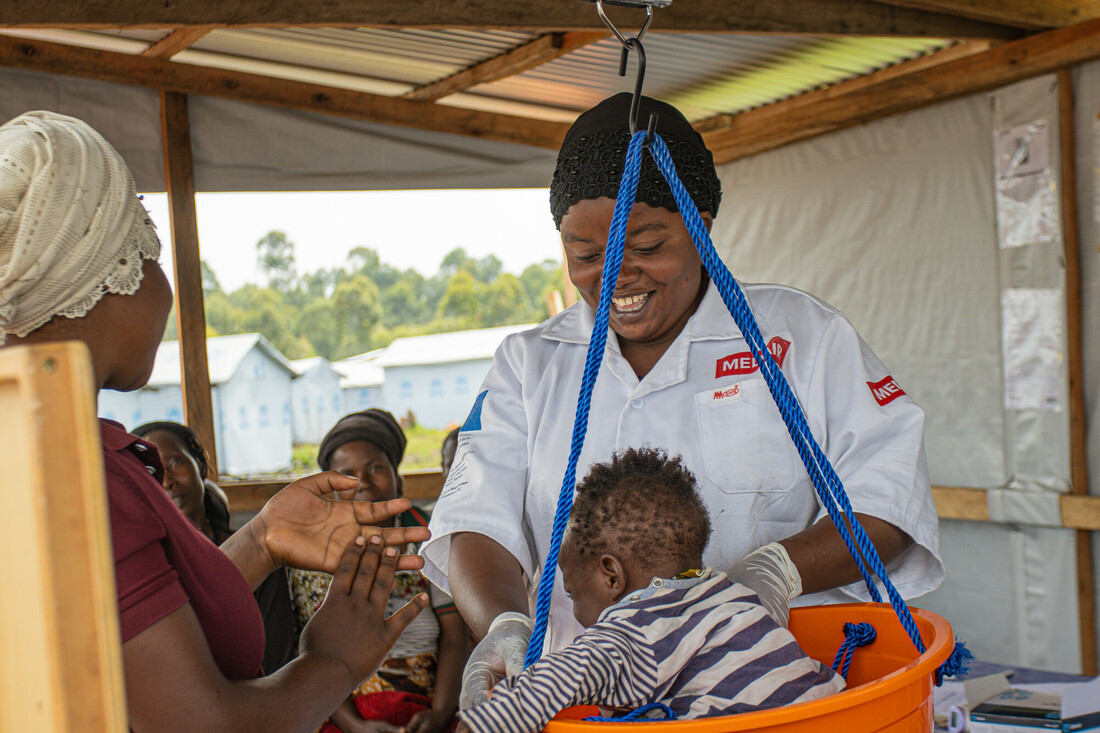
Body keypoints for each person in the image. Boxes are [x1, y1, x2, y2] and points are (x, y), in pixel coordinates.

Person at [418, 93, 943, 707]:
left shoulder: (801, 338)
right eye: (586, 256)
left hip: (768, 699)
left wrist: (775, 572)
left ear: (701, 225)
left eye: (645, 247)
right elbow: (476, 524)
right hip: (583, 705)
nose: (616, 275)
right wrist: (505, 627)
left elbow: (890, 499)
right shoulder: (528, 365)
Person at [0, 110, 430, 732]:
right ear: (100, 273)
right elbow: (208, 725)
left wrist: (259, 541)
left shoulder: (29, 447)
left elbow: (126, 628)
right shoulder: (77, 475)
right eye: (145, 249)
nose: (159, 282)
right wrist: (334, 659)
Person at [457, 448, 844, 733]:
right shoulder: (728, 591)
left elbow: (556, 681)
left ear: (612, 576)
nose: (574, 612)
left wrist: (481, 723)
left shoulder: (635, 631)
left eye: (573, 594)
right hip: (839, 714)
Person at [289, 410, 468, 733]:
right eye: (347, 474)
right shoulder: (310, 557)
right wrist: (355, 726)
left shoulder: (427, 537)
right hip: (342, 712)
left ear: (397, 476)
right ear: (331, 487)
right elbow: (309, 657)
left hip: (429, 706)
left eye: (375, 468)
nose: (363, 483)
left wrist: (441, 712)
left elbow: (456, 637)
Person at [133, 420, 299, 673]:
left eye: (175, 463)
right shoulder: (147, 573)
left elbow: (278, 659)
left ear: (199, 466)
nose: (166, 481)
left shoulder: (257, 553)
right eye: (151, 472)